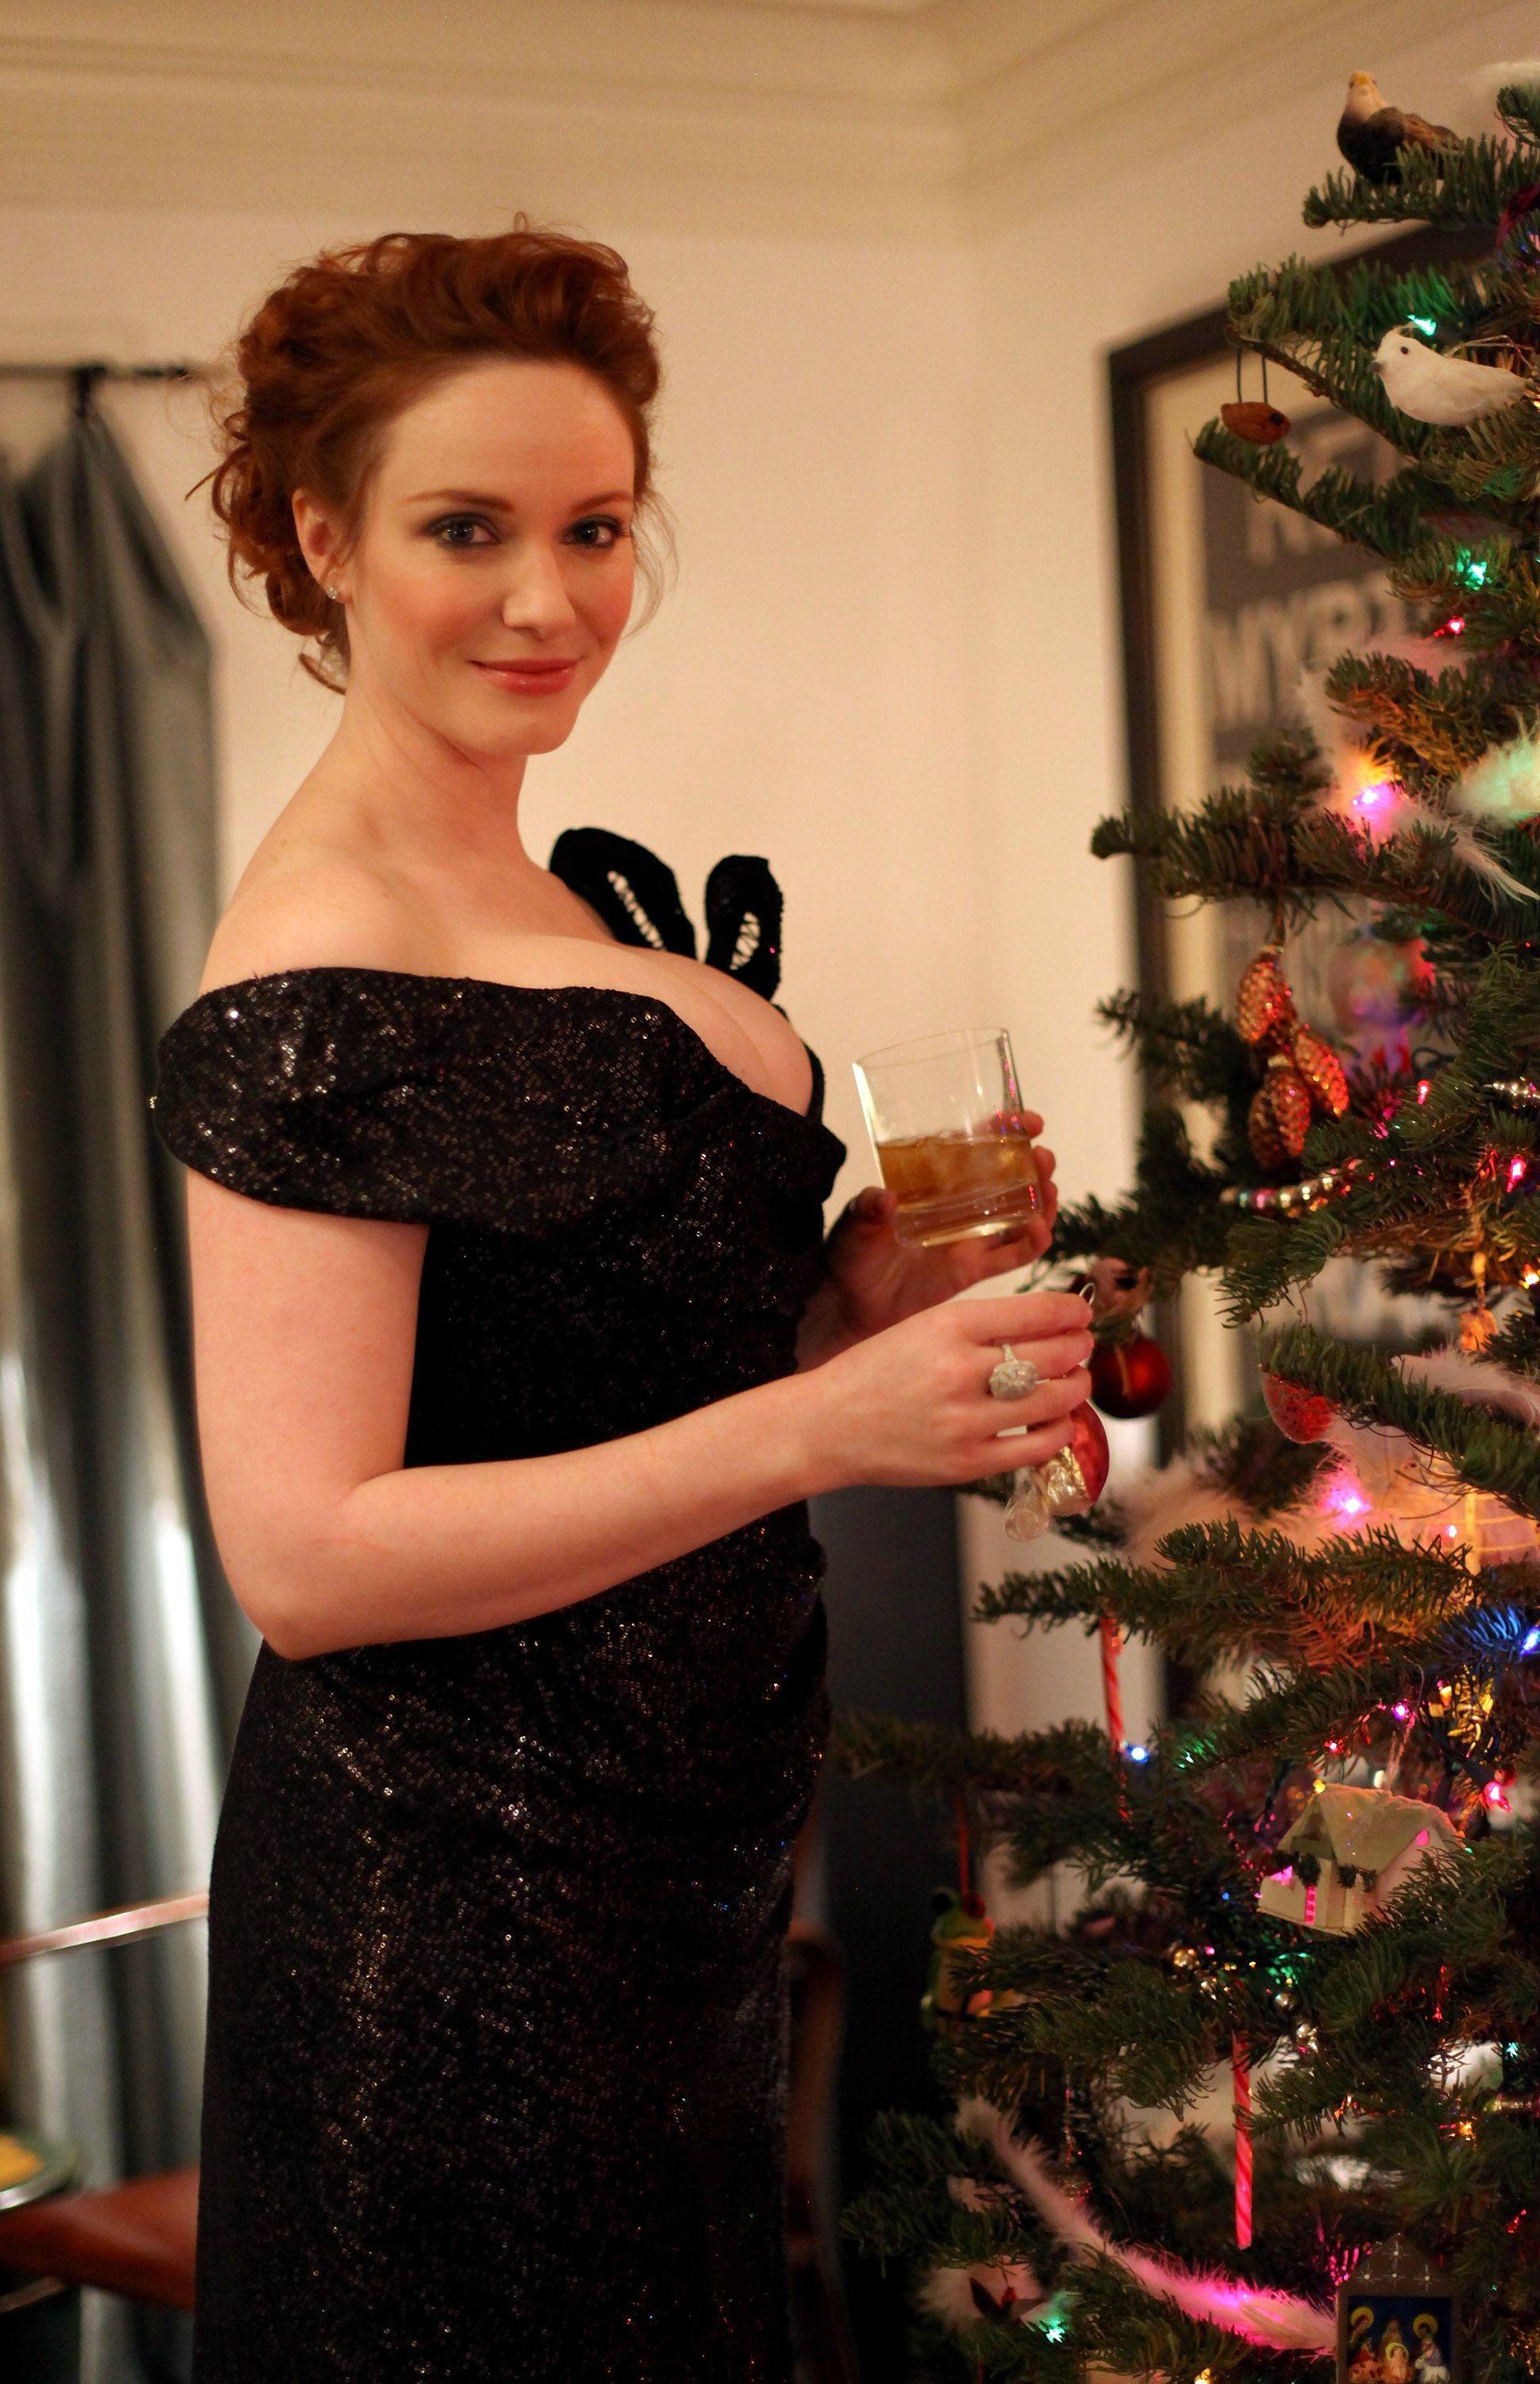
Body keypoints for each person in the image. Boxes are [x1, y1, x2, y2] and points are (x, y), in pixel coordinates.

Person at [149, 223, 1095, 2382]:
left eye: (592, 528)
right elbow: (308, 1557)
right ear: (323, 539)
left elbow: (622, 1383)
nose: (549, 598)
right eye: (464, 529)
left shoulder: (538, 891)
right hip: (450, 1908)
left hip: (672, 1876)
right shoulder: (313, 974)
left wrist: (868, 1298)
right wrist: (822, 1429)